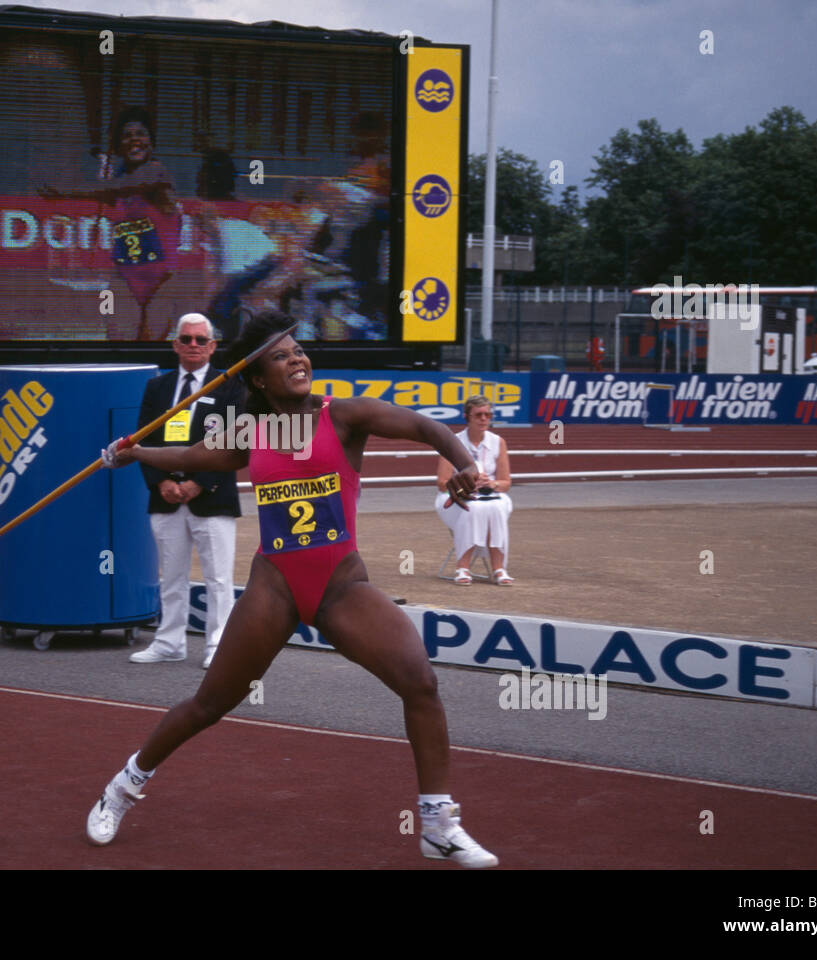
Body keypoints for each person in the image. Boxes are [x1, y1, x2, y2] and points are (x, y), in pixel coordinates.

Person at [87, 311, 499, 868]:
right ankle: (122, 786)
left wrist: (467, 465)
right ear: (258, 378)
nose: (298, 359)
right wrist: (135, 453)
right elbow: (188, 456)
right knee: (209, 704)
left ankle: (438, 825)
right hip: (276, 587)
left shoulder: (345, 416)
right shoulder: (254, 433)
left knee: (420, 682)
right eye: (281, 356)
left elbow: (427, 427)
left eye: (299, 350)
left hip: (340, 586)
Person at [131, 313, 245, 669]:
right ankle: (169, 642)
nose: (193, 345)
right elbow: (142, 441)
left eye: (200, 340)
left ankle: (218, 645)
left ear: (212, 346)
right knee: (171, 575)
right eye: (187, 339)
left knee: (219, 578)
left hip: (212, 496)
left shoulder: (229, 386)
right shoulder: (158, 388)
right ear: (175, 344)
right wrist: (161, 481)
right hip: (165, 498)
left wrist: (199, 482)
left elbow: (236, 441)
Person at [41, 106, 189, 340]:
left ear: (151, 143)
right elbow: (102, 190)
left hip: (161, 281)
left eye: (140, 134)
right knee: (119, 341)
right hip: (124, 278)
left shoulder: (157, 173)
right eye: (127, 136)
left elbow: (106, 188)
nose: (134, 140)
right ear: (119, 147)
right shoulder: (119, 183)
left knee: (150, 345)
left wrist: (63, 190)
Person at [434, 395, 514, 585]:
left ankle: (499, 568)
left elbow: (506, 483)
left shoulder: (498, 442)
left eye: (488, 414)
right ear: (467, 417)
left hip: (491, 496)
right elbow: (441, 482)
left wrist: (491, 484)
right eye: (478, 415)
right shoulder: (452, 441)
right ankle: (463, 567)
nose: (484, 419)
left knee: (495, 508)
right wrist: (466, 484)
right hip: (456, 496)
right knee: (474, 508)